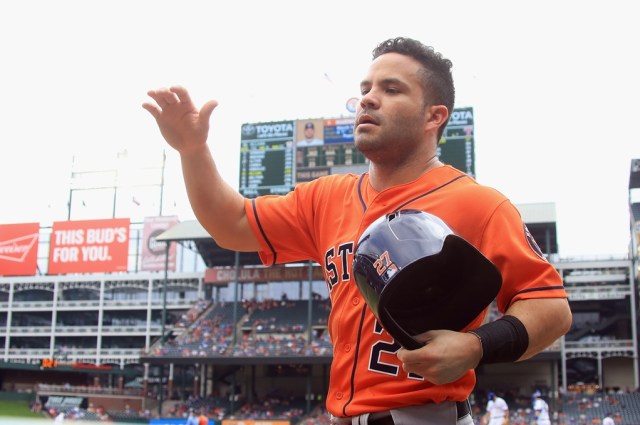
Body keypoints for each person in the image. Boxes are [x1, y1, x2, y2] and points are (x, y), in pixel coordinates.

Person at [144, 36, 572, 425]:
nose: (368, 99)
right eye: (365, 89)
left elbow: (550, 309)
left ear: (434, 116)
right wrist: (192, 150)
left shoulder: (478, 203)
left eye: (391, 89)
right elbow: (231, 224)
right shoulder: (326, 197)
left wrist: (477, 346)